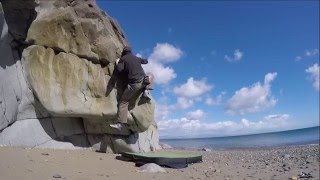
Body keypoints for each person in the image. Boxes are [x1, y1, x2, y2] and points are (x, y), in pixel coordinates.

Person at [110, 46, 149, 130]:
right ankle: (145, 91)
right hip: (144, 81)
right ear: (130, 51)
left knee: (123, 102)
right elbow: (146, 61)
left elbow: (120, 70)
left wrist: (118, 63)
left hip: (134, 84)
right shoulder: (136, 58)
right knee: (149, 76)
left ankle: (121, 124)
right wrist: (140, 60)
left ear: (123, 52)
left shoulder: (123, 59)